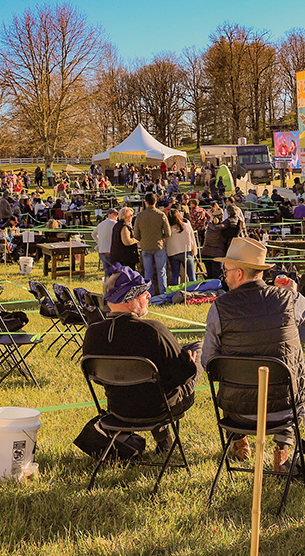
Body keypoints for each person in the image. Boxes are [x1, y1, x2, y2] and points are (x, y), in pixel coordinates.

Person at [201, 238, 305, 471]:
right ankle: (281, 454)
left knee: (240, 380)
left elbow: (209, 362)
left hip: (238, 412)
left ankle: (240, 442)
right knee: (293, 384)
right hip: (285, 410)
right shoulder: (288, 299)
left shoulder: (219, 308)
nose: (224, 276)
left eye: (226, 270)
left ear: (239, 274)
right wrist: (296, 295)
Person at [80, 265, 200, 455]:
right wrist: (191, 363)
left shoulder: (93, 333)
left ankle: (164, 441)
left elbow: (96, 377)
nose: (149, 296)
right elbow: (183, 375)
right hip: (160, 409)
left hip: (118, 409)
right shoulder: (153, 331)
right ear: (130, 299)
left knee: (156, 376)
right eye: (144, 293)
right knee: (198, 349)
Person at [133, 193, 172, 297]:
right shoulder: (161, 215)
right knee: (161, 271)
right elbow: (168, 233)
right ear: (156, 202)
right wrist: (161, 236)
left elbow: (136, 235)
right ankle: (163, 294)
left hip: (145, 246)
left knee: (148, 272)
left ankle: (149, 294)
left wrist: (143, 238)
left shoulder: (140, 216)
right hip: (159, 245)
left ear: (146, 203)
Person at [165, 207, 198, 287]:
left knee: (175, 275)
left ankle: (174, 293)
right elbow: (192, 239)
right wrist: (194, 250)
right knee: (191, 276)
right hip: (186, 251)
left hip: (172, 253)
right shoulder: (186, 226)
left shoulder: (168, 230)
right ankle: (194, 291)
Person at [110, 207, 141, 272]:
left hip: (117, 257)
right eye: (131, 215)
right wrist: (136, 239)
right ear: (126, 216)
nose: (132, 217)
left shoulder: (117, 225)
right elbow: (126, 241)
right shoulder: (124, 226)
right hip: (125, 258)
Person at [93, 207, 118, 274]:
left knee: (107, 273)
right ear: (109, 215)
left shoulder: (101, 224)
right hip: (110, 251)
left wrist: (99, 242)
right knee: (116, 272)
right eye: (114, 214)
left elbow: (93, 234)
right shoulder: (115, 224)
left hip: (102, 251)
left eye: (116, 214)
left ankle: (107, 284)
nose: (116, 216)